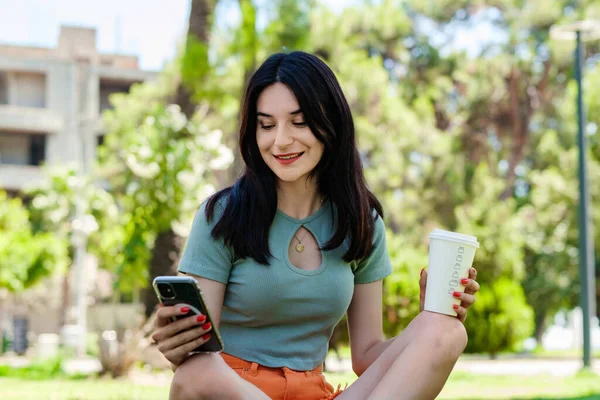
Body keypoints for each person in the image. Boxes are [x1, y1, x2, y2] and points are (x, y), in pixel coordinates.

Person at [151, 51, 480, 400]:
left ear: (331, 122)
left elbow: (367, 357)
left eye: (299, 121)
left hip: (313, 393)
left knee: (446, 331)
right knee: (198, 369)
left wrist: (428, 318)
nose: (280, 140)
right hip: (235, 391)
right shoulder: (223, 215)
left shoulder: (361, 222)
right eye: (266, 125)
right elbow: (197, 362)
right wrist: (178, 343)